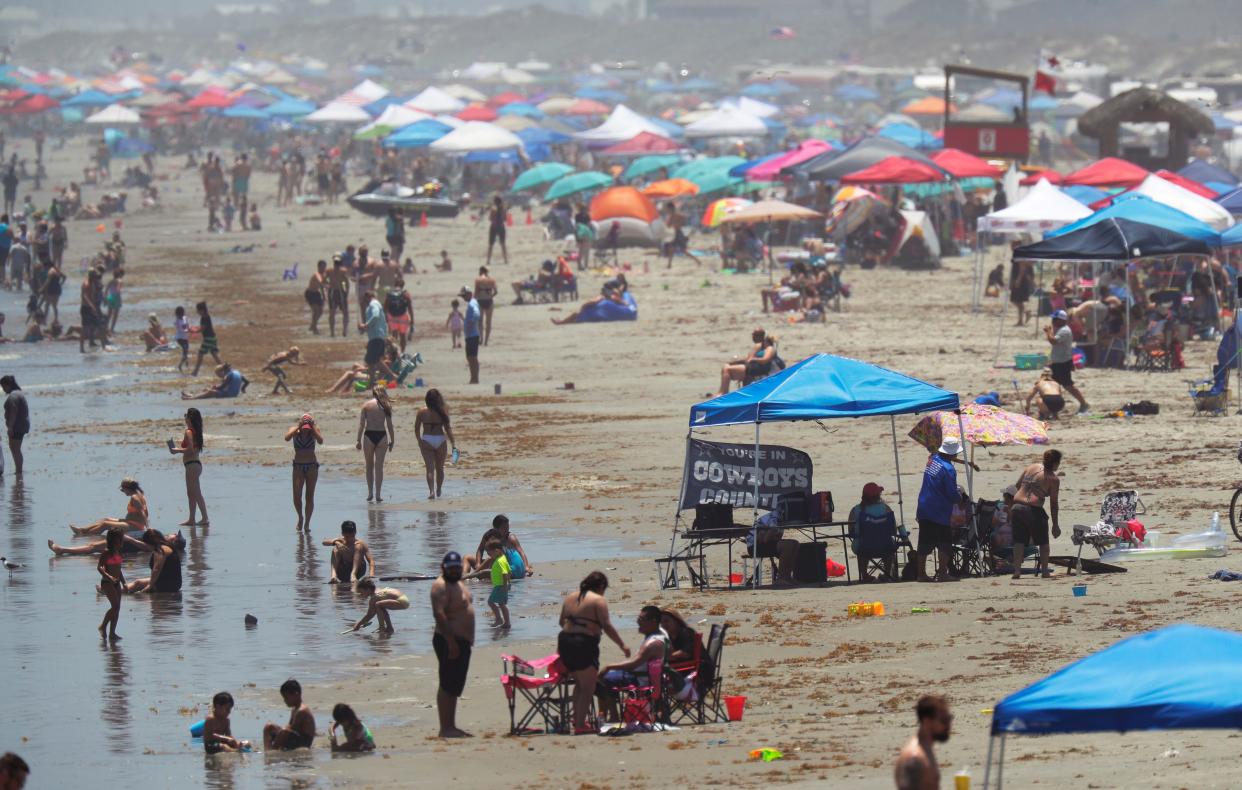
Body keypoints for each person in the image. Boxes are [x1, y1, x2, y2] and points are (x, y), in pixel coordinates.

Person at [558, 571, 629, 733]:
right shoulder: (598, 600)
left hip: (564, 641)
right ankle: (581, 725)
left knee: (579, 684)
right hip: (583, 643)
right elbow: (607, 625)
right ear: (601, 586)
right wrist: (622, 644)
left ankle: (577, 720)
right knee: (588, 686)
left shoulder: (570, 597)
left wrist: (573, 632)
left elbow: (561, 621)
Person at [595, 605, 668, 722]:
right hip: (637, 673)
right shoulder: (657, 634)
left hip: (640, 679)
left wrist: (609, 666)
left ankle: (612, 716)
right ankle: (604, 715)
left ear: (653, 622)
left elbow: (634, 664)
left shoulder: (654, 643)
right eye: (638, 619)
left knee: (602, 679)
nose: (638, 622)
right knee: (604, 677)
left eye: (641, 620)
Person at [430, 551, 475, 738]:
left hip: (461, 641)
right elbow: (439, 615)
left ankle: (451, 725)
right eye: (451, 569)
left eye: (457, 568)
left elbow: (467, 560)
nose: (455, 571)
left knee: (455, 685)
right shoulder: (440, 587)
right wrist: (451, 642)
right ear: (443, 568)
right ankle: (445, 727)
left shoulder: (458, 582)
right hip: (449, 640)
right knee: (448, 684)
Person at [1010, 449, 1062, 580]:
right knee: (1043, 542)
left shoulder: (1032, 467)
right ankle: (1044, 571)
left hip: (1016, 507)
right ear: (1056, 463)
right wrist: (1055, 525)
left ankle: (1016, 571)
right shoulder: (1053, 479)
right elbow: (1054, 504)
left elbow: (1017, 484)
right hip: (1033, 509)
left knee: (1019, 541)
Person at [916, 439, 962, 583]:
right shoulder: (948, 469)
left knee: (924, 542)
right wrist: (959, 498)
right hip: (939, 510)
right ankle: (942, 572)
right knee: (944, 542)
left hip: (924, 505)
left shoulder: (933, 460)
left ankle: (921, 574)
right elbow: (951, 493)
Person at [894, 695, 953, 790]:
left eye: (949, 718)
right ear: (927, 722)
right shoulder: (915, 759)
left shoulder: (925, 749)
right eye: (944, 720)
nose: (949, 725)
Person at [848, 482, 901, 582]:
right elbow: (893, 530)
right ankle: (887, 574)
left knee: (860, 541)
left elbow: (851, 531)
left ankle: (864, 575)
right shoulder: (886, 508)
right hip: (886, 546)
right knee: (888, 542)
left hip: (864, 547)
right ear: (877, 496)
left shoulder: (855, 510)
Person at [661, 608, 713, 700]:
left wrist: (665, 657)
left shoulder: (686, 632)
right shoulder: (669, 636)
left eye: (667, 621)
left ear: (676, 621)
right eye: (661, 622)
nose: (664, 624)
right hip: (685, 669)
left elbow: (685, 653)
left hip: (699, 673)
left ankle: (657, 706)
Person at [168, 408, 209, 526]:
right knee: (191, 493)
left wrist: (177, 450)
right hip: (193, 465)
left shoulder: (189, 431)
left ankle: (205, 518)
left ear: (190, 418)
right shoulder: (196, 431)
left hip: (192, 465)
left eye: (186, 415)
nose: (184, 418)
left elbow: (190, 448)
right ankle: (192, 519)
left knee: (196, 493)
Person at [415, 389, 456, 499]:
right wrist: (453, 444)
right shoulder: (443, 411)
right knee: (440, 468)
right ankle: (439, 489)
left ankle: (431, 491)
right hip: (440, 439)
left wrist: (419, 441)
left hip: (427, 439)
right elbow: (448, 429)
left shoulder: (421, 411)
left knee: (429, 468)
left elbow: (416, 428)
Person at [1046, 309, 1089, 414]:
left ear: (1061, 320)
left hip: (1062, 363)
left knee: (1068, 386)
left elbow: (1053, 341)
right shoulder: (1061, 329)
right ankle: (1056, 406)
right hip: (1058, 362)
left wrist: (1048, 331)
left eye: (1055, 319)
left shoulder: (1064, 331)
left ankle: (1084, 403)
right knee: (1055, 385)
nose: (1053, 321)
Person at [356, 386, 395, 502]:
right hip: (382, 435)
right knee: (379, 467)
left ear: (373, 393)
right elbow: (389, 425)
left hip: (369, 435)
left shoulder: (366, 405)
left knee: (369, 466)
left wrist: (358, 440)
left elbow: (362, 424)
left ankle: (370, 493)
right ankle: (378, 495)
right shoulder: (386, 406)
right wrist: (392, 440)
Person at [285, 413, 323, 531]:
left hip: (311, 466)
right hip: (298, 467)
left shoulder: (314, 431)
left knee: (309, 496)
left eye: (307, 427)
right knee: (297, 495)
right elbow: (286, 438)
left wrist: (312, 428)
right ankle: (300, 517)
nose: (305, 430)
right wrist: (298, 427)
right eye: (304, 428)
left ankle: (307, 523)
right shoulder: (294, 430)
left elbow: (321, 441)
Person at [71, 477, 148, 535]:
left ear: (127, 488)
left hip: (134, 526)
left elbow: (142, 512)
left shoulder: (134, 497)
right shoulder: (141, 495)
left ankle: (85, 535)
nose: (123, 492)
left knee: (105, 524)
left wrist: (147, 527)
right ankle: (82, 530)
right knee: (105, 519)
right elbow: (146, 512)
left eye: (122, 490)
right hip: (131, 522)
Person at [464, 514, 532, 578]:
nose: (507, 530)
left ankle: (473, 577)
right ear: (495, 528)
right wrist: (478, 563)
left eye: (508, 527)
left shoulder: (510, 538)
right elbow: (480, 550)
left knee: (485, 570)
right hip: (496, 562)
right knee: (467, 557)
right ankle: (463, 576)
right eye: (504, 528)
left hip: (505, 565)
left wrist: (526, 567)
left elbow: (521, 552)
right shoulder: (488, 536)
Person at [124, 528, 183, 594]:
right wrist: (130, 539)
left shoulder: (160, 550)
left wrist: (150, 585)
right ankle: (117, 591)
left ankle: (117, 592)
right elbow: (145, 546)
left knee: (139, 594)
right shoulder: (166, 545)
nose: (147, 547)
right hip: (172, 582)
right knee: (138, 583)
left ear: (151, 542)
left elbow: (156, 569)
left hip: (168, 585)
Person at [263, 679, 316, 751]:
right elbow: (290, 727)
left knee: (284, 731)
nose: (284, 700)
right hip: (295, 738)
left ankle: (273, 751)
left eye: (286, 697)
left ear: (296, 694)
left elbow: (290, 730)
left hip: (303, 742)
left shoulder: (302, 711)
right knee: (269, 727)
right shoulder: (294, 709)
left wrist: (279, 737)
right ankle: (267, 750)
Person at [716, 327, 771, 395]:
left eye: (754, 335)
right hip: (758, 369)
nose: (753, 337)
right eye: (753, 335)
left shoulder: (758, 345)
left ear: (759, 336)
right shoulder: (765, 346)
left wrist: (734, 362)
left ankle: (723, 393)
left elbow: (748, 360)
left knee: (726, 368)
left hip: (755, 370)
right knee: (729, 367)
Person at [97, 528, 126, 640]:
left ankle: (112, 633)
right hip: (107, 583)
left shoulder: (118, 553)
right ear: (114, 540)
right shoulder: (106, 553)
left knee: (117, 609)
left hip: (117, 583)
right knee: (115, 606)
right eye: (120, 539)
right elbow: (99, 567)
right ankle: (103, 626)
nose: (122, 541)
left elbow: (119, 570)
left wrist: (124, 583)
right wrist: (108, 576)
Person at [358, 290, 389, 387]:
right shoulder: (376, 304)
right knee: (375, 360)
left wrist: (365, 325)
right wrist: (364, 328)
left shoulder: (373, 304)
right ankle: (372, 382)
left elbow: (375, 316)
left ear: (367, 298)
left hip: (376, 336)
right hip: (378, 336)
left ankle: (391, 376)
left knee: (370, 360)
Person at [2, 375, 28, 475]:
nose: (3, 389)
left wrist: (10, 428)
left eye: (3, 387)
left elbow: (13, 412)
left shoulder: (13, 397)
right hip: (22, 425)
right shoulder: (19, 393)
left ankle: (18, 471)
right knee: (16, 449)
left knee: (15, 449)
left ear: (7, 385)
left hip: (17, 426)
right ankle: (19, 470)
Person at [181, 363, 248, 400]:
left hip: (229, 395)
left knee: (210, 391)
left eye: (219, 374)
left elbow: (222, 387)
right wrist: (243, 389)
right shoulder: (237, 372)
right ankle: (192, 395)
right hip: (234, 394)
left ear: (223, 371)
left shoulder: (228, 375)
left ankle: (192, 398)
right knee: (208, 390)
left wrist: (214, 387)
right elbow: (247, 382)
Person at [484, 540, 511, 629]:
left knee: (491, 602)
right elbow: (509, 571)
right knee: (501, 604)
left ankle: (499, 619)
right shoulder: (503, 558)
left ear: (497, 550)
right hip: (500, 585)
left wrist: (504, 585)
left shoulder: (500, 561)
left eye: (490, 553)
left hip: (500, 586)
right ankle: (507, 623)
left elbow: (505, 573)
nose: (489, 556)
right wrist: (509, 583)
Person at [191, 301, 221, 376]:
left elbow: (202, 329)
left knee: (200, 353)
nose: (197, 312)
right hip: (213, 337)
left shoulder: (204, 318)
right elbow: (203, 327)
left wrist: (194, 331)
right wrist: (195, 329)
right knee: (214, 354)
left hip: (208, 338)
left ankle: (195, 371)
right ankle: (225, 368)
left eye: (198, 310)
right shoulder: (207, 316)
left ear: (202, 310)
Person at [385, 277, 413, 353]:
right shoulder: (406, 294)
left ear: (395, 284)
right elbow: (410, 308)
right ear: (403, 285)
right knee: (403, 336)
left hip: (392, 317)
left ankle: (394, 353)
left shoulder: (389, 294)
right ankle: (402, 352)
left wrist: (386, 319)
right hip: (403, 317)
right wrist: (412, 321)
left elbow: (385, 307)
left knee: (394, 335)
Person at [460, 286, 481, 384]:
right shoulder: (471, 303)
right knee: (470, 357)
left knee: (472, 358)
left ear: (469, 294)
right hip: (470, 335)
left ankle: (475, 378)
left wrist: (470, 324)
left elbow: (477, 314)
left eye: (464, 296)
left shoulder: (472, 303)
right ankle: (473, 378)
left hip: (472, 335)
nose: (463, 298)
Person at [326, 255, 351, 337]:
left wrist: (346, 292)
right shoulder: (337, 270)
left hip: (336, 291)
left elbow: (325, 280)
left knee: (338, 312)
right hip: (336, 291)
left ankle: (340, 331)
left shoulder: (332, 270)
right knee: (337, 312)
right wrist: (346, 292)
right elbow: (346, 283)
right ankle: (337, 331)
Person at [474, 266, 497, 346]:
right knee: (488, 322)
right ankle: (486, 341)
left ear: (481, 271)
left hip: (480, 301)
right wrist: (490, 296)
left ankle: (481, 338)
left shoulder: (478, 280)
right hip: (489, 301)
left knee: (480, 321)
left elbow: (476, 293)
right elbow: (496, 291)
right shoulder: (492, 280)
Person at [1010, 256, 1034, 327]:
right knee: (1016, 301)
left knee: (1017, 300)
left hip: (1020, 282)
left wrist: (1018, 280)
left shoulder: (1020, 255)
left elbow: (1022, 268)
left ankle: (1021, 320)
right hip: (1020, 281)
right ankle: (1026, 313)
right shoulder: (1019, 255)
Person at [486, 195, 509, 266]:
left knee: (490, 245)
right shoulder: (503, 209)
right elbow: (505, 219)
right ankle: (505, 260)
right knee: (503, 244)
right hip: (501, 227)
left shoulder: (493, 209)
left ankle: (488, 260)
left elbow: (490, 218)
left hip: (493, 227)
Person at [305, 259, 327, 334]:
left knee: (320, 311)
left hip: (317, 293)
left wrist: (324, 296)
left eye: (324, 267)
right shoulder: (316, 274)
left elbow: (321, 287)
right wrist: (328, 285)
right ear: (318, 267)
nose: (323, 268)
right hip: (310, 293)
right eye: (322, 267)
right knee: (316, 310)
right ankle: (314, 328)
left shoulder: (324, 274)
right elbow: (320, 282)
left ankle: (313, 325)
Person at [103, 268, 123, 335]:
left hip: (110, 297)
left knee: (109, 314)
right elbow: (118, 289)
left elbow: (106, 291)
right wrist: (119, 292)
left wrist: (105, 299)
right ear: (120, 275)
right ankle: (112, 329)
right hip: (116, 297)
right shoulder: (119, 280)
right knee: (115, 315)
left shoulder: (111, 281)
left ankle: (106, 328)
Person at [173, 306, 190, 372]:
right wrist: (187, 329)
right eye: (179, 314)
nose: (181, 315)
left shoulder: (185, 318)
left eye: (182, 313)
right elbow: (181, 329)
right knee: (185, 349)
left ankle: (185, 362)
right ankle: (180, 365)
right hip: (179, 338)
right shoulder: (176, 321)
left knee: (186, 351)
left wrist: (189, 329)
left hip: (185, 337)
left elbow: (187, 325)